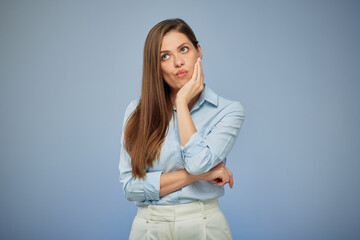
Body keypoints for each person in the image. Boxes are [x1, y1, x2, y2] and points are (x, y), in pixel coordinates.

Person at [119, 18, 244, 240]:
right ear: (156, 66)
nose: (178, 62)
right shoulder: (136, 112)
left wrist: (181, 102)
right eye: (165, 56)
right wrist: (198, 176)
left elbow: (197, 163)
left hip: (204, 225)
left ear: (199, 51)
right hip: (149, 226)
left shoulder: (228, 111)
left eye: (184, 49)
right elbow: (130, 187)